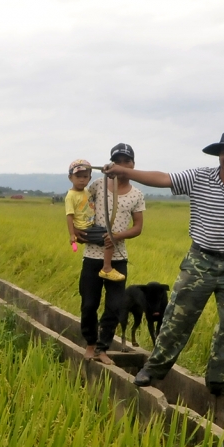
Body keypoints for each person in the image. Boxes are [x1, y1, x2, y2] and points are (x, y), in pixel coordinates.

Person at [105, 130, 224, 397]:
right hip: (200, 261)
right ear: (219, 155)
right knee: (177, 318)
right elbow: (164, 179)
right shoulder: (200, 177)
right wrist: (126, 172)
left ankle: (219, 379)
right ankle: (154, 368)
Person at [79, 144, 145, 363]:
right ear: (111, 164)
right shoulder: (98, 185)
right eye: (118, 161)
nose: (123, 165)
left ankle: (102, 347)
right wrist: (77, 231)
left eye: (128, 161)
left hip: (118, 258)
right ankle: (90, 343)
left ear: (133, 165)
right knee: (89, 303)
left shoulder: (137, 194)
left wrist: (117, 235)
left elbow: (137, 228)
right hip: (92, 255)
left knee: (115, 306)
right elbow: (81, 207)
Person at [64, 160, 124, 281]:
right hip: (85, 229)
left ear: (90, 178)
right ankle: (106, 269)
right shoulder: (71, 196)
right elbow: (69, 215)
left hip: (92, 225)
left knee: (111, 236)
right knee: (111, 238)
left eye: (85, 177)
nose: (82, 179)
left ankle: (106, 267)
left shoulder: (87, 191)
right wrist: (72, 234)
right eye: (78, 176)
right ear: (70, 177)